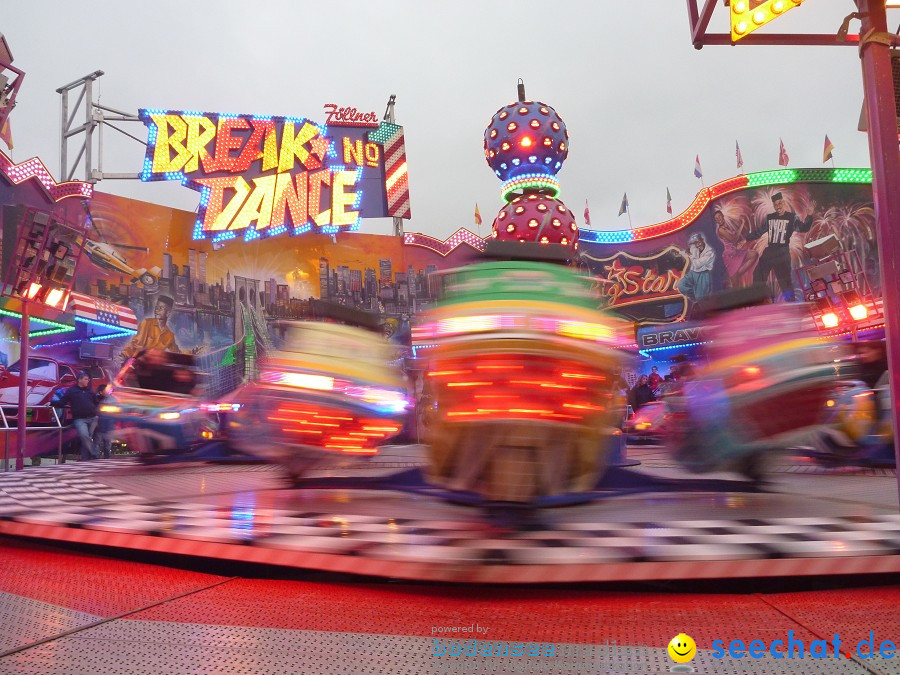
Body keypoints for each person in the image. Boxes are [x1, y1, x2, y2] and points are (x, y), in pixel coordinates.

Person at [750, 192, 816, 301]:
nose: (778, 206)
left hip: (782, 253)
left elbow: (804, 228)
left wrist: (809, 215)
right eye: (775, 204)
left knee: (785, 282)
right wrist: (746, 238)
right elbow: (760, 231)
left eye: (780, 203)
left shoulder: (791, 218)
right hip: (770, 252)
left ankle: (791, 303)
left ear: (784, 203)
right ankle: (759, 301)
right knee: (757, 275)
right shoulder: (770, 218)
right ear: (774, 206)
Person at [51, 371, 103, 460]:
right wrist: (52, 403)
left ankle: (86, 458)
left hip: (92, 418)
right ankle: (94, 453)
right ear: (79, 380)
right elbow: (62, 402)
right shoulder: (71, 391)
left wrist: (97, 414)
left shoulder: (90, 391)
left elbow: (96, 403)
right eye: (86, 379)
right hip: (79, 419)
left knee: (86, 439)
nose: (88, 381)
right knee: (84, 436)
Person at [714, 209, 759, 289]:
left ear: (723, 216)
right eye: (716, 219)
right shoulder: (720, 230)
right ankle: (735, 280)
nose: (719, 219)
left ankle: (738, 274)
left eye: (719, 216)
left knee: (754, 254)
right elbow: (733, 239)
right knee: (736, 286)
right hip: (730, 256)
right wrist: (742, 224)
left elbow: (734, 240)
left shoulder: (726, 227)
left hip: (736, 252)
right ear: (716, 221)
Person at [677, 233, 716, 302]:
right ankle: (695, 299)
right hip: (692, 273)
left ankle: (700, 301)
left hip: (703, 274)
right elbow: (686, 252)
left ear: (702, 240)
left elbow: (697, 264)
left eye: (698, 242)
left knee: (701, 298)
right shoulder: (694, 248)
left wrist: (690, 255)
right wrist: (680, 253)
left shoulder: (710, 252)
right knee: (681, 286)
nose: (697, 244)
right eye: (695, 243)